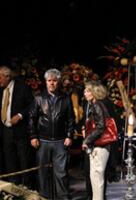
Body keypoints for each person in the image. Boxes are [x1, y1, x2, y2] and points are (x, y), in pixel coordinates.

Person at [28, 68, 75, 200]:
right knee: (43, 173)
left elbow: (71, 118)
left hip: (60, 142)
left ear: (58, 82)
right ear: (46, 82)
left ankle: (63, 198)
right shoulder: (38, 98)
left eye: (54, 81)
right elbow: (32, 118)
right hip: (43, 142)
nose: (52, 83)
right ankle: (45, 198)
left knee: (61, 174)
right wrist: (33, 136)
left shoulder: (65, 98)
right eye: (49, 81)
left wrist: (69, 136)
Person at [0, 65, 35, 187]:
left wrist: (20, 115)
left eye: (0, 77)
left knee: (24, 161)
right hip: (6, 131)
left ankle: (27, 188)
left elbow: (32, 105)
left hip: (20, 131)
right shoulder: (1, 89)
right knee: (10, 161)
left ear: (7, 76)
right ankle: (14, 188)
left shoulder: (22, 88)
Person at [81, 81, 113, 200]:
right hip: (98, 146)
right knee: (95, 178)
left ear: (94, 93)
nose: (85, 92)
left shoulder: (97, 105)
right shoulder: (95, 105)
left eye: (88, 90)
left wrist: (87, 140)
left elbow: (100, 127)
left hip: (100, 146)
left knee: (97, 179)